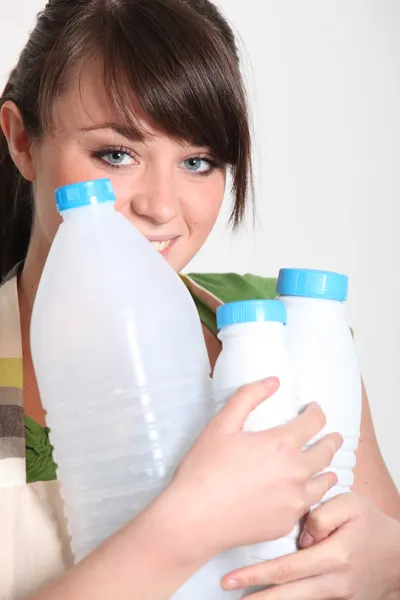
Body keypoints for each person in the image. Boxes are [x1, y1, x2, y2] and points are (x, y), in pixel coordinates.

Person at [0, 0, 398, 599]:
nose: (162, 206)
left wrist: (387, 563)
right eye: (117, 154)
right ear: (22, 140)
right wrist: (188, 525)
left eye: (198, 162)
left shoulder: (289, 333)